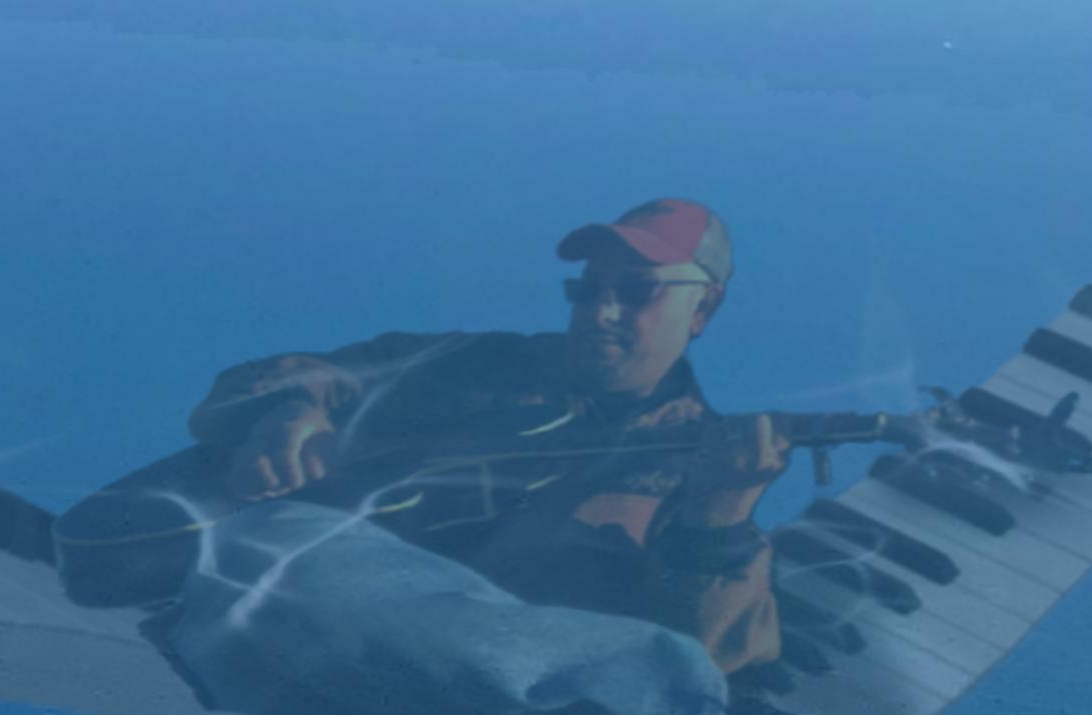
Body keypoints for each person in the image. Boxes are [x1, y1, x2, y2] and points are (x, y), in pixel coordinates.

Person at [188, 196, 786, 674]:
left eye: (636, 291)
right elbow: (272, 381)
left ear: (703, 309)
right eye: (586, 289)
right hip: (336, 603)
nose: (601, 312)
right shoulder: (482, 365)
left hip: (489, 675)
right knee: (282, 544)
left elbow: (701, 661)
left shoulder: (706, 470)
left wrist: (720, 526)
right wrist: (288, 412)